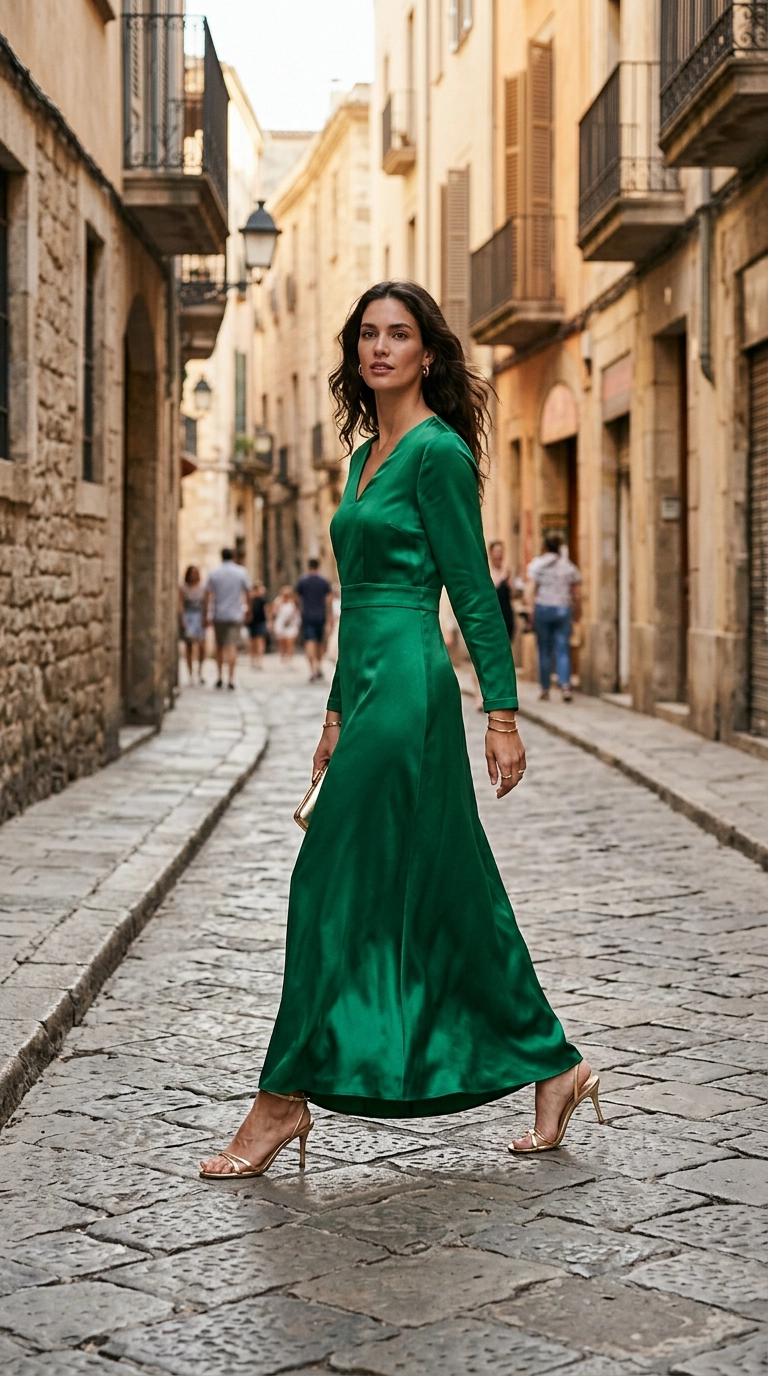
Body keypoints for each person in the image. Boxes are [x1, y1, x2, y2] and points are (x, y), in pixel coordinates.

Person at [201, 281, 600, 1181]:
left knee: (321, 884)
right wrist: (334, 713)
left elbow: (473, 592)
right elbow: (356, 605)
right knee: (450, 892)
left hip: (416, 692)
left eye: (400, 335)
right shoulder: (362, 458)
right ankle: (557, 1065)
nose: (381, 348)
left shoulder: (437, 454)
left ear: (427, 353)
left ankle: (280, 1100)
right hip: (370, 689)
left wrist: (500, 714)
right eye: (368, 335)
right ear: (356, 354)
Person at [526, 532, 582, 702]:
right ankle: (565, 686)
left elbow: (530, 589)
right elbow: (576, 592)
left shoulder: (538, 565)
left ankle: (545, 689)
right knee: (563, 648)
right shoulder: (568, 566)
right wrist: (578, 611)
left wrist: (530, 611)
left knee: (544, 650)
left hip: (543, 608)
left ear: (545, 546)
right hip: (564, 609)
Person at [203, 549, 251, 690]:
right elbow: (248, 591)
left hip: (219, 614)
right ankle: (230, 678)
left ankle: (219, 677)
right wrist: (249, 610)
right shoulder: (241, 572)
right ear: (233, 556)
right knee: (232, 647)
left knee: (220, 646)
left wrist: (205, 613)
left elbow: (207, 594)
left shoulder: (214, 572)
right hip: (235, 614)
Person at [296, 558, 332, 682]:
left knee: (309, 642)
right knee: (320, 642)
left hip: (307, 616)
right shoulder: (324, 581)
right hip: (321, 615)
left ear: (308, 566)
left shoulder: (303, 581)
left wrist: (300, 611)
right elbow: (328, 600)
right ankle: (319, 666)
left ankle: (312, 670)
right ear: (319, 566)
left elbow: (297, 599)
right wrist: (329, 616)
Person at [178, 566, 206, 684]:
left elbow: (205, 603)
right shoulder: (183, 588)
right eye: (192, 573)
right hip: (188, 617)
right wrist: (182, 619)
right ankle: (190, 674)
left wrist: (205, 617)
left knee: (202, 646)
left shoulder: (202, 587)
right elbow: (181, 603)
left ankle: (200, 672)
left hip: (199, 617)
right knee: (189, 646)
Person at [489, 540, 515, 642]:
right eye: (496, 552)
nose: (499, 555)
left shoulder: (507, 570)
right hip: (492, 614)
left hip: (506, 613)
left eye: (501, 551)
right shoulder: (488, 571)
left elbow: (511, 592)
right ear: (491, 553)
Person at [272, 586, 301, 664]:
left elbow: (297, 613)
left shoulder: (293, 601)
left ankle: (290, 657)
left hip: (291, 624)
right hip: (281, 624)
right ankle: (282, 656)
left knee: (290, 641)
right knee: (282, 642)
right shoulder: (278, 601)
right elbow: (274, 612)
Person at [248, 582, 269, 668]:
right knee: (254, 641)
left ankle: (258, 659)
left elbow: (266, 611)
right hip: (254, 622)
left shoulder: (261, 599)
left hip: (259, 621)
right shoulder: (251, 599)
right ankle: (254, 659)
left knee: (258, 641)